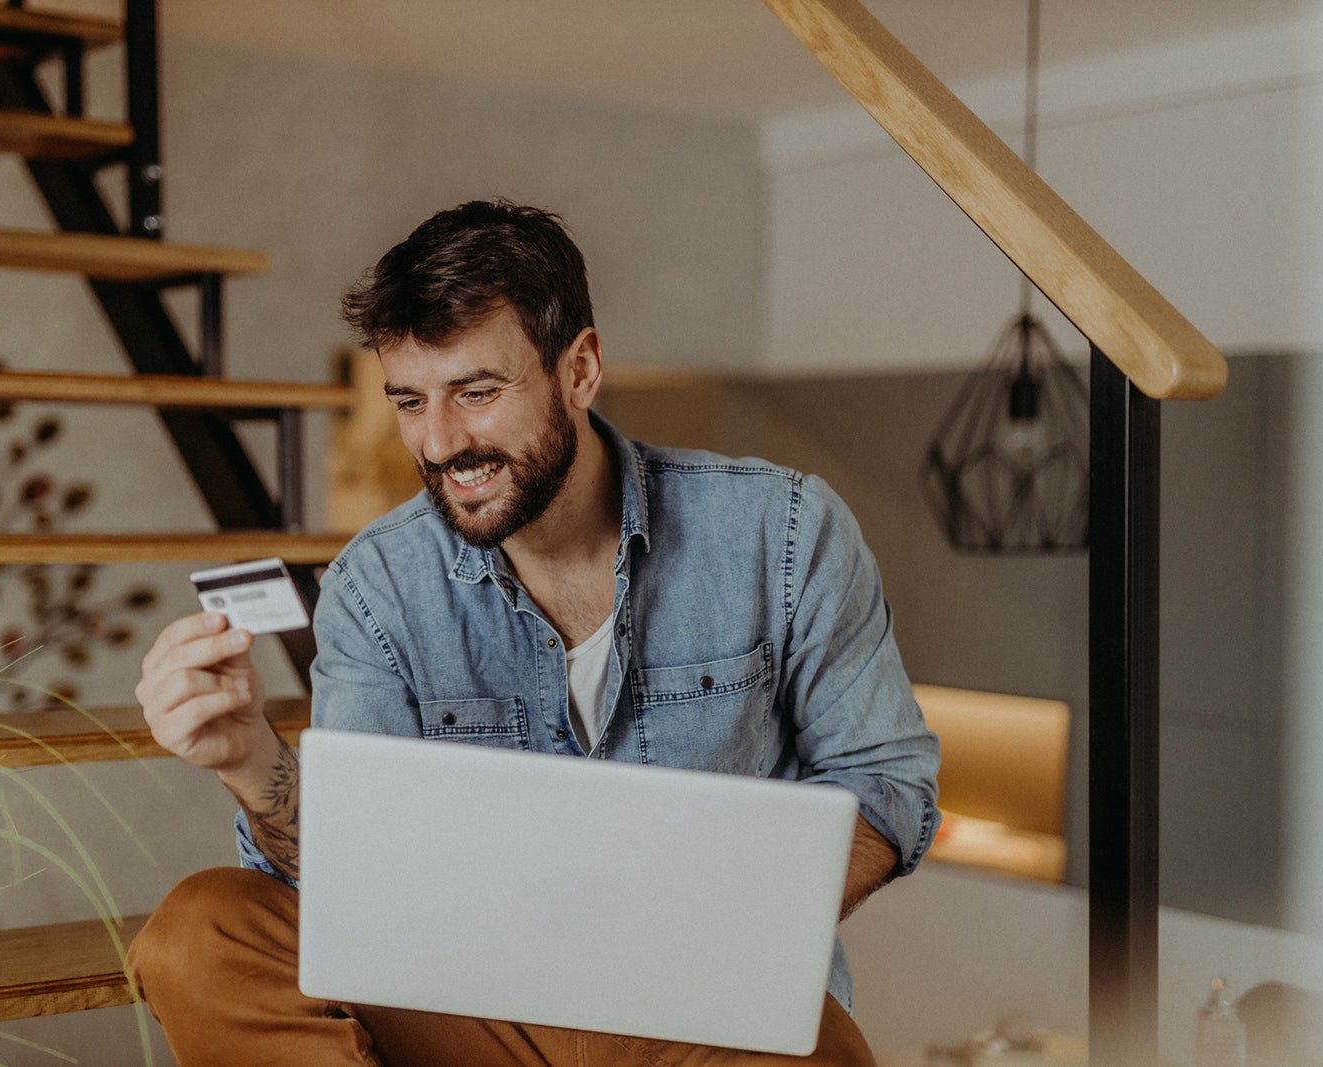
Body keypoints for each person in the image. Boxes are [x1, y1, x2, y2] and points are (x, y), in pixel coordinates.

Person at [127, 199, 940, 1067]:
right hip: (468, 1004)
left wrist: (722, 925)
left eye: (476, 392)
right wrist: (249, 759)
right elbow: (357, 883)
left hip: (701, 1009)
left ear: (580, 369)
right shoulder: (377, 584)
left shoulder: (781, 530)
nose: (439, 442)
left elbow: (886, 781)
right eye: (410, 400)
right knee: (198, 934)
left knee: (825, 1050)